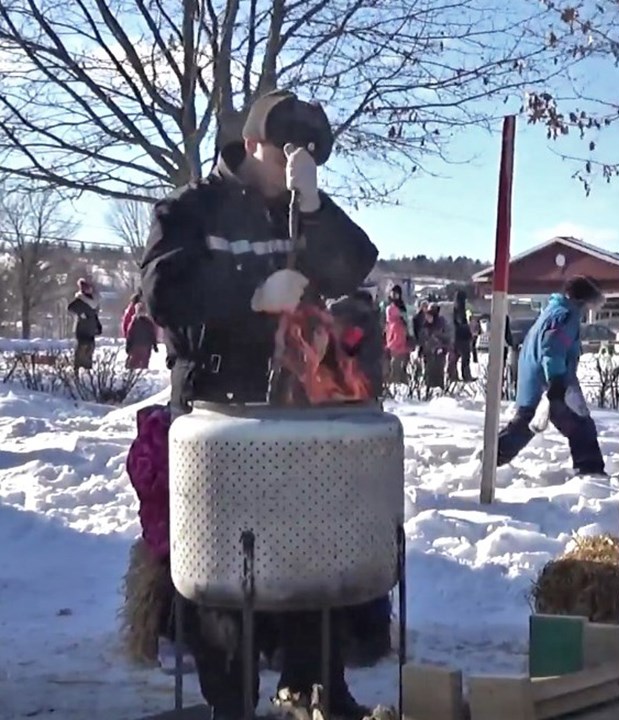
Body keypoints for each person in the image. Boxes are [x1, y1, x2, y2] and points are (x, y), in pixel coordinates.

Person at [136, 90, 380, 720]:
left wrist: (313, 203)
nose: (295, 166)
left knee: (309, 552)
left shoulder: (299, 210)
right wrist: (251, 292)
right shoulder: (193, 209)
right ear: (251, 146)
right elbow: (163, 291)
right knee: (225, 571)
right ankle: (231, 703)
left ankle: (316, 683)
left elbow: (356, 263)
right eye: (286, 154)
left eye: (311, 158)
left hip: (294, 410)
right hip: (218, 414)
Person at [496, 276, 606, 476]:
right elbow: (552, 347)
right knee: (581, 426)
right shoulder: (566, 315)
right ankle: (591, 473)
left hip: (536, 380)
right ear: (584, 298)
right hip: (550, 383)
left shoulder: (555, 310)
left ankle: (489, 459)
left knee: (524, 426)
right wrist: (556, 381)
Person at [67, 277, 103, 370]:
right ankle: (77, 369)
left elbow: (95, 315)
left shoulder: (95, 300)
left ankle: (87, 370)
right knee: (81, 350)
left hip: (91, 329)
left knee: (90, 350)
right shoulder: (80, 299)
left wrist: (98, 326)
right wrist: (81, 314)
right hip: (82, 328)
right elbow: (70, 308)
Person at [122, 292, 159, 370]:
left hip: (139, 345)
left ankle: (135, 374)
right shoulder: (146, 322)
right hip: (144, 345)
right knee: (140, 361)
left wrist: (128, 343)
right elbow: (152, 333)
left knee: (136, 361)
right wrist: (154, 344)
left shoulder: (135, 321)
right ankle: (138, 373)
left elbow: (129, 332)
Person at [384, 285, 411, 384]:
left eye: (396, 293)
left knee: (396, 365)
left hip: (398, 340)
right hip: (391, 337)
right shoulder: (387, 306)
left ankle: (397, 384)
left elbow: (406, 322)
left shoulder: (401, 308)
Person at [450, 290, 474, 382]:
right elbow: (462, 322)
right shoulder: (460, 309)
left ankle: (453, 375)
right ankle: (465, 375)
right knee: (465, 357)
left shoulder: (457, 309)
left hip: (458, 336)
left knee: (456, 357)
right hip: (462, 336)